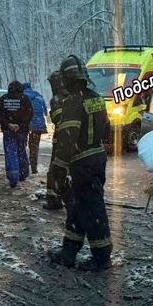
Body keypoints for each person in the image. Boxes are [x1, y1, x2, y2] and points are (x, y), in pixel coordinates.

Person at [47, 55, 112, 271]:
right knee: (77, 208)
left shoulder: (73, 102)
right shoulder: (97, 98)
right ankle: (69, 251)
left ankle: (101, 257)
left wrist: (58, 167)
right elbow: (108, 130)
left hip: (81, 163)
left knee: (92, 209)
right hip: (97, 158)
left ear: (67, 78)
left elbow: (67, 137)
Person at [0, 81, 34, 188]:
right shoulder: (25, 99)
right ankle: (22, 174)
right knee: (21, 151)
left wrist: (8, 124)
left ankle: (13, 178)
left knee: (11, 153)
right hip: (22, 131)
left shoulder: (3, 99)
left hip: (8, 131)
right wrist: (20, 125)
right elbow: (30, 113)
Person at [44, 71, 70, 210]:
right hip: (75, 141)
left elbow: (57, 118)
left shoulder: (57, 99)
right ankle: (70, 197)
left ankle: (54, 199)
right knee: (70, 170)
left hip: (60, 141)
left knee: (55, 170)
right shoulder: (74, 96)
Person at [22, 82, 48, 174]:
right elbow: (46, 112)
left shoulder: (22, 96)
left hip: (26, 125)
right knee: (34, 147)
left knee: (22, 145)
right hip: (38, 125)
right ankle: (34, 168)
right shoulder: (38, 95)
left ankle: (23, 167)